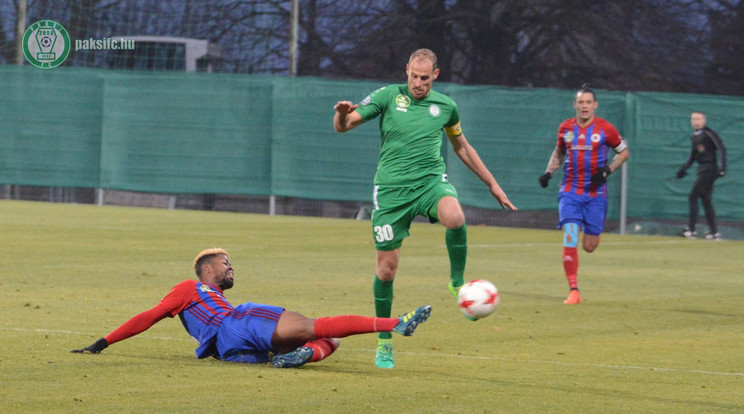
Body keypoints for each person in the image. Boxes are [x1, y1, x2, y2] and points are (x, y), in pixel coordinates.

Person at [333, 48, 516, 369]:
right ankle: (385, 340)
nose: (419, 84)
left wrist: (491, 183)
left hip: (430, 183)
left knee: (456, 216)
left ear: (436, 75)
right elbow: (345, 125)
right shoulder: (389, 96)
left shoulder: (446, 106)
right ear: (407, 71)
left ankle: (457, 283)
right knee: (386, 270)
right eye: (414, 77)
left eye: (425, 79)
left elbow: (462, 146)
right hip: (391, 192)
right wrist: (341, 113)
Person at [72, 248, 432, 368]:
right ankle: (396, 322)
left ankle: (300, 356)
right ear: (206, 269)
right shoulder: (190, 288)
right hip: (236, 325)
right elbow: (148, 317)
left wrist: (101, 345)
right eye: (225, 262)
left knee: (331, 340)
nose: (231, 267)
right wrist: (104, 341)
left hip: (228, 352)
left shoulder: (210, 299)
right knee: (317, 326)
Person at [538, 86, 629, 305]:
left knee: (589, 246)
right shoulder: (566, 128)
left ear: (595, 105)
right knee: (570, 234)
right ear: (575, 105)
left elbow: (623, 152)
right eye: (581, 102)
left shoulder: (605, 129)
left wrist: (608, 170)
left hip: (595, 195)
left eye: (588, 102)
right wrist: (549, 172)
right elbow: (559, 151)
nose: (584, 106)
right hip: (569, 192)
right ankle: (573, 290)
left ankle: (576, 279)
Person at [675, 111, 726, 240]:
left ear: (704, 120)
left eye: (698, 119)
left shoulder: (709, 133)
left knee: (693, 196)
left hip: (709, 169)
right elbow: (693, 155)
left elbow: (721, 149)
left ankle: (691, 230)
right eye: (693, 119)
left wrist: (722, 168)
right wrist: (683, 169)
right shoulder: (694, 136)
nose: (695, 121)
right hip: (702, 169)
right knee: (705, 200)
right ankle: (714, 232)